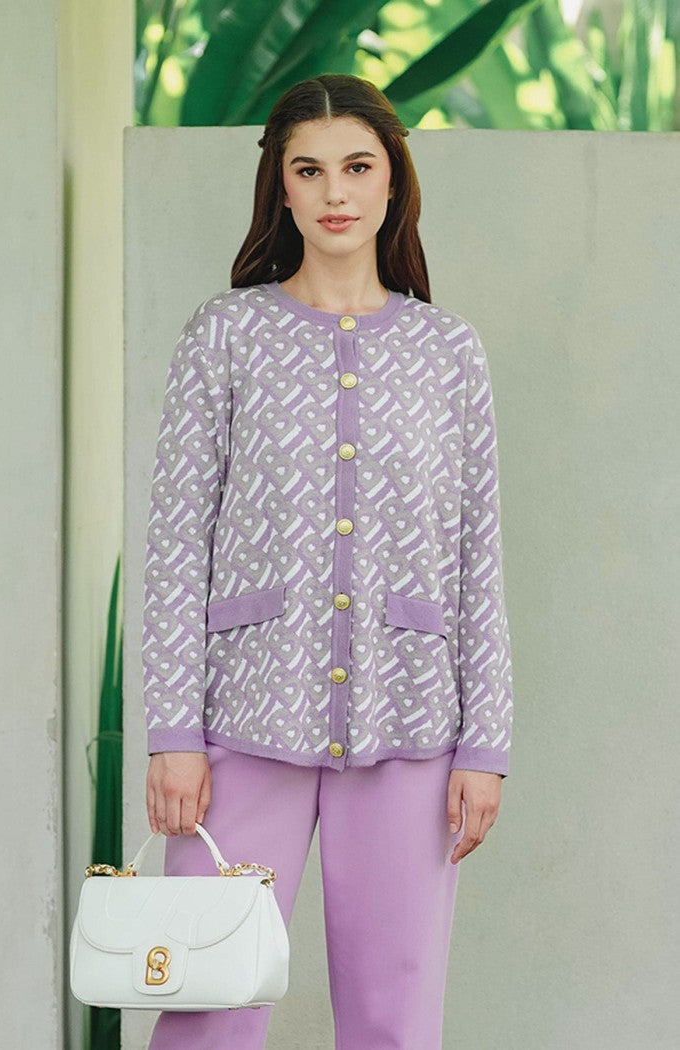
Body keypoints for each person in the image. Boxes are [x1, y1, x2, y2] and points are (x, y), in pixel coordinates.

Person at [142, 72, 514, 1050]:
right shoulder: (225, 335)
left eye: (357, 166)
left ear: (393, 180)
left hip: (409, 721)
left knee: (395, 1022)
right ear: (282, 186)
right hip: (242, 722)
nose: (335, 192)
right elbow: (177, 543)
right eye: (309, 171)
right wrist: (173, 733)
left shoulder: (448, 352)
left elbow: (478, 557)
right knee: (209, 1010)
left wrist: (485, 745)